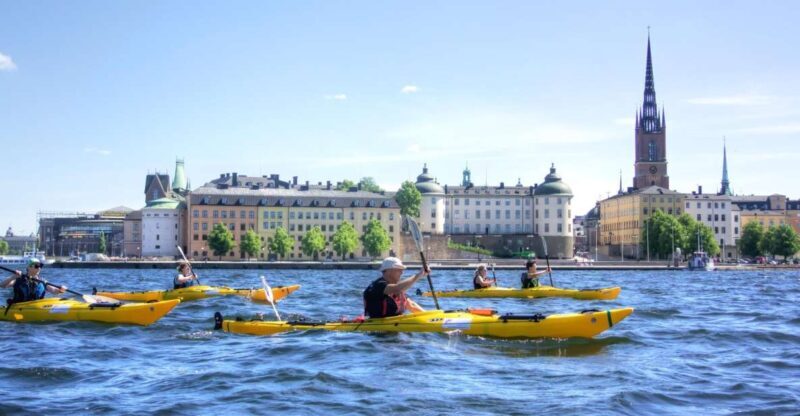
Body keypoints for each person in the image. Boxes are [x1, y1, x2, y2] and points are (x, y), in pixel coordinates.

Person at [363, 257, 429, 319]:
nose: (402, 272)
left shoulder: (395, 287)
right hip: (378, 326)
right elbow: (397, 289)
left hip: (394, 322)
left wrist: (428, 317)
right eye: (399, 270)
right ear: (389, 271)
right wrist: (418, 275)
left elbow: (412, 305)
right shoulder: (378, 285)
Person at [2, 258, 66, 304]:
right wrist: (13, 277)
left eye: (40, 266)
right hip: (19, 308)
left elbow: (54, 291)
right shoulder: (18, 279)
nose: (39, 268)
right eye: (37, 266)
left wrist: (60, 290)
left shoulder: (43, 281)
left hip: (36, 307)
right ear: (29, 267)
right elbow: (2, 285)